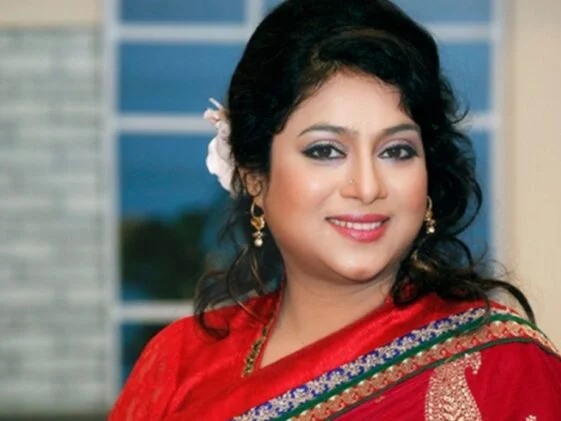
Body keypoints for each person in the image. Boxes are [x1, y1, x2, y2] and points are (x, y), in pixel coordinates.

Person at [109, 0, 561, 419]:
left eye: (397, 151)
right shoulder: (179, 365)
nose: (367, 187)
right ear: (255, 176)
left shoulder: (502, 368)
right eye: (325, 150)